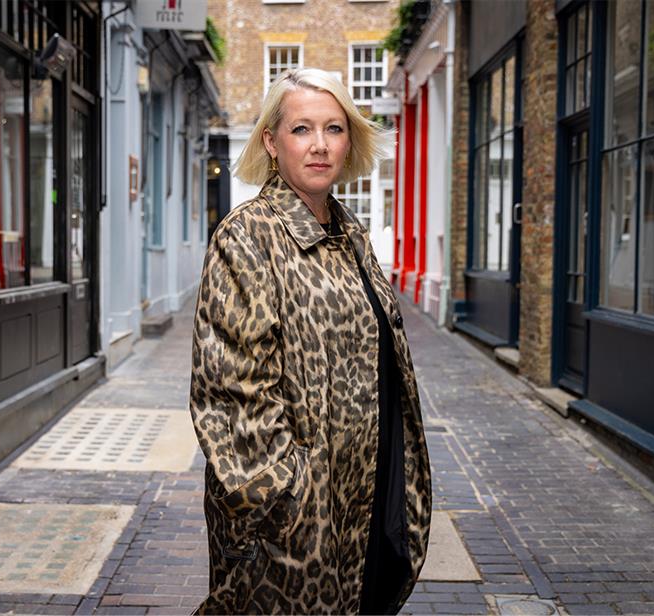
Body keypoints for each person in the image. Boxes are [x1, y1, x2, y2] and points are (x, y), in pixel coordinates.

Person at [189, 67, 431, 615]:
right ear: (272, 143)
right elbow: (232, 392)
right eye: (302, 129)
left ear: (351, 140)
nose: (320, 145)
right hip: (292, 516)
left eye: (334, 128)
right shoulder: (248, 236)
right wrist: (286, 497)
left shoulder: (350, 233)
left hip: (361, 496)